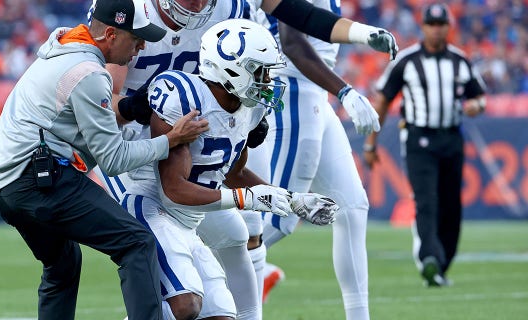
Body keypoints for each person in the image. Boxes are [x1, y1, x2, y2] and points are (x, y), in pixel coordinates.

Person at [88, 1, 398, 316]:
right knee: (183, 298)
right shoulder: (133, 13)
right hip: (132, 154)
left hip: (189, 133)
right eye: (260, 72)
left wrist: (287, 199)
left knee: (241, 235)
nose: (267, 81)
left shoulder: (235, 72)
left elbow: (298, 13)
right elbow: (101, 106)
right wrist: (132, 108)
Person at [0, 0, 209, 319]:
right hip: (39, 180)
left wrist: (128, 108)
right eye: (136, 38)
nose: (141, 46)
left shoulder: (64, 44)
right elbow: (113, 159)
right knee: (136, 243)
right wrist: (170, 140)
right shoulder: (89, 73)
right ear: (112, 34)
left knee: (62, 265)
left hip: (3, 185)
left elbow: (69, 117)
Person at [120, 19, 338, 320]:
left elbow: (235, 172)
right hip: (154, 208)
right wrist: (247, 199)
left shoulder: (249, 108)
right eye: (260, 71)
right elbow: (174, 188)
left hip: (189, 223)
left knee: (221, 316)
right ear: (232, 68)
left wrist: (293, 200)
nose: (268, 81)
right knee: (185, 305)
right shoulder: (185, 98)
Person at [240, 1, 381, 318]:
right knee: (279, 219)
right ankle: (195, 284)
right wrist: (345, 91)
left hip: (312, 92)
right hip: (293, 89)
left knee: (353, 206)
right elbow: (292, 42)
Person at [363, 3, 486, 287]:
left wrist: (475, 106)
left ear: (448, 26)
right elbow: (382, 100)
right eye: (431, 24)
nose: (436, 29)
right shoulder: (406, 61)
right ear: (423, 26)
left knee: (451, 205)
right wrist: (371, 144)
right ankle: (429, 258)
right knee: (426, 200)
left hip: (451, 138)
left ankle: (442, 263)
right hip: (419, 138)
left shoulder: (460, 60)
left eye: (441, 24)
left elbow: (479, 97)